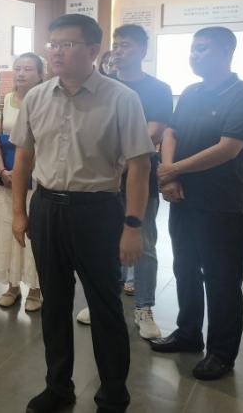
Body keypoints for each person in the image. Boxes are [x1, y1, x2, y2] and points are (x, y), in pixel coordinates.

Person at [11, 14, 154, 413]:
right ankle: (58, 387)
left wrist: (133, 226)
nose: (56, 51)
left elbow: (140, 167)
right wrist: (19, 212)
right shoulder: (37, 97)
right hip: (47, 209)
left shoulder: (122, 98)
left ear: (93, 50)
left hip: (98, 211)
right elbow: (23, 159)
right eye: (53, 44)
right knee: (55, 304)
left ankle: (113, 393)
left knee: (105, 305)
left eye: (67, 44)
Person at [151, 26, 243, 381]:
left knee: (221, 277)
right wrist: (170, 176)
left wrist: (173, 169)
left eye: (203, 49)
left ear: (227, 52)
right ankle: (188, 333)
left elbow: (228, 148)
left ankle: (221, 352)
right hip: (182, 196)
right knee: (184, 267)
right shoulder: (191, 92)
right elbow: (171, 132)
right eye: (193, 49)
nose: (195, 55)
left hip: (221, 202)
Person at [76, 25, 173, 340]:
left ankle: (144, 307)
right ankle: (106, 302)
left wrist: (116, 154)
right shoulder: (101, 86)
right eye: (116, 45)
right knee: (105, 244)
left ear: (143, 50)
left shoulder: (158, 89)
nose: (118, 51)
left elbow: (152, 133)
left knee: (143, 243)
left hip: (139, 179)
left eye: (126, 45)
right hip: (102, 181)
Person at [0, 52, 44, 312]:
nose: (21, 73)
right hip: (5, 175)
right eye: (18, 68)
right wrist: (1, 169)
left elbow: (44, 140)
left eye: (28, 69)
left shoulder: (44, 100)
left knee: (33, 232)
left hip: (34, 178)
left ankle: (36, 289)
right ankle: (12, 285)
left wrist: (22, 172)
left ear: (40, 75)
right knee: (8, 230)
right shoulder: (3, 99)